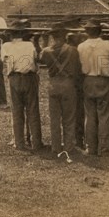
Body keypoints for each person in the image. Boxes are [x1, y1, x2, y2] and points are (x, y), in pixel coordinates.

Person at [40, 22, 81, 155]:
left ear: (52, 36)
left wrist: (43, 42)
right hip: (68, 84)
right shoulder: (73, 50)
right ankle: (69, 147)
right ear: (65, 36)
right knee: (69, 118)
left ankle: (55, 147)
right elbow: (77, 69)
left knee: (54, 119)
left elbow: (40, 59)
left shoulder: (46, 51)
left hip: (53, 85)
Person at [0, 20, 42, 151]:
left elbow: (3, 59)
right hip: (29, 78)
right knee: (33, 110)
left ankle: (19, 142)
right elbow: (36, 58)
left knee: (17, 111)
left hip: (15, 78)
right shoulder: (30, 45)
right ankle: (36, 142)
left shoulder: (6, 46)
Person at [77, 20, 109, 156]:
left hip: (88, 80)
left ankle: (91, 147)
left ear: (87, 32)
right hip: (104, 80)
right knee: (104, 115)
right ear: (100, 31)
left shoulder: (81, 47)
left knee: (90, 115)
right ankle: (104, 147)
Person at [62, 14, 88, 150]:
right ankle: (76, 139)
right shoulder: (76, 36)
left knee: (77, 109)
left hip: (77, 75)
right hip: (75, 75)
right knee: (75, 109)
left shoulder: (78, 36)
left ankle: (77, 139)